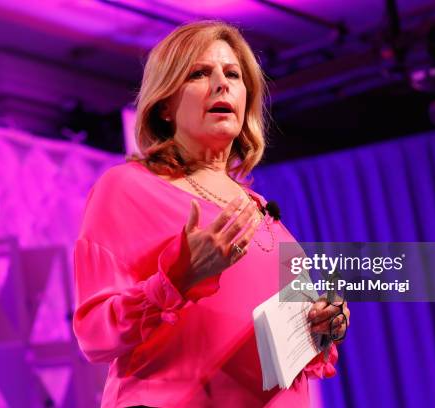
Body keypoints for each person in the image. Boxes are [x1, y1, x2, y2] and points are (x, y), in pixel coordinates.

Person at [72, 20, 350, 408]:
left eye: (233, 75)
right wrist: (177, 279)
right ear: (165, 105)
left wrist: (319, 329)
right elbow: (95, 335)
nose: (222, 84)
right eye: (200, 73)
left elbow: (285, 357)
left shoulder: (272, 222)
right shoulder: (127, 188)